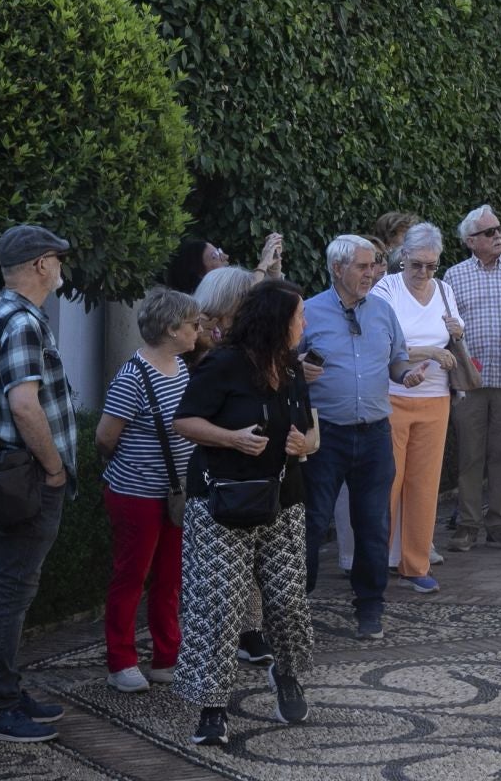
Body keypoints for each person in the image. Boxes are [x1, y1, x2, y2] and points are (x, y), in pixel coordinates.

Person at [173, 280, 320, 747]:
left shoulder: (291, 368)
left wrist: (303, 443)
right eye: (299, 316)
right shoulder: (223, 364)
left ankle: (288, 675)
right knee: (221, 605)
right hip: (222, 501)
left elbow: (309, 430)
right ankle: (212, 708)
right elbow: (184, 421)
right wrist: (232, 438)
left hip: (283, 500)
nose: (305, 323)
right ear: (276, 321)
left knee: (288, 600)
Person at [0, 223, 77, 743]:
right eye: (58, 259)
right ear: (40, 264)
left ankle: (7, 691)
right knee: (11, 589)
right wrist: (54, 468)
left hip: (13, 474)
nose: (60, 268)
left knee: (7, 585)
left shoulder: (9, 314)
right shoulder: (23, 322)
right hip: (26, 476)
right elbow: (24, 405)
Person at [299, 235, 418, 641]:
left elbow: (397, 360)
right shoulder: (308, 312)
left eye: (374, 266)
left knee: (372, 522)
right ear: (337, 269)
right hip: (324, 435)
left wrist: (407, 374)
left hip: (374, 434)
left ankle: (370, 606)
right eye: (363, 267)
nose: (372, 274)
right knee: (312, 521)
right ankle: (296, 606)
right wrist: (297, 368)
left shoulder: (383, 311)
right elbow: (281, 364)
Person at [95, 286, 202, 694]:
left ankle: (166, 657)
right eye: (193, 324)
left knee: (170, 578)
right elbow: (105, 437)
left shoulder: (181, 369)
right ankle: (121, 661)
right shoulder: (132, 378)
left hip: (174, 494)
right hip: (135, 495)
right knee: (131, 577)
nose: (198, 330)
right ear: (172, 329)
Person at [368, 222, 459, 592]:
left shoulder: (445, 290)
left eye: (431, 265)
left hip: (435, 398)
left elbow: (454, 334)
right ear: (402, 256)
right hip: (392, 397)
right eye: (417, 264)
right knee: (386, 483)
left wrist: (454, 338)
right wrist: (429, 352)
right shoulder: (386, 288)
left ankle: (415, 564)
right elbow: (381, 341)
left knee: (425, 485)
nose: (423, 272)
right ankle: (375, 563)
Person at [444, 204, 501, 553]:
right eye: (489, 232)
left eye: (499, 230)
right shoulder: (453, 276)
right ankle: (467, 525)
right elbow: (445, 328)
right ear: (470, 241)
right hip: (469, 379)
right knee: (469, 455)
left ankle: (500, 523)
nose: (498, 236)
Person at [168, 233, 284, 295]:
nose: (225, 256)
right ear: (198, 274)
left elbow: (272, 295)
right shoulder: (208, 301)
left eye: (220, 251)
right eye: (215, 255)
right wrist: (264, 262)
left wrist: (275, 261)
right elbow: (249, 295)